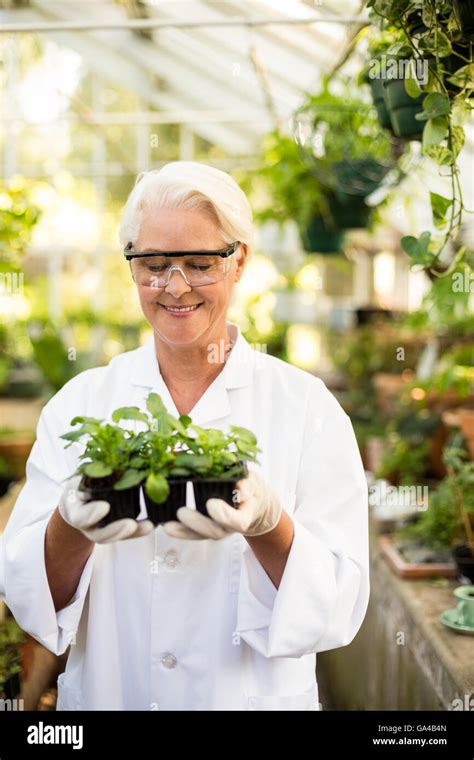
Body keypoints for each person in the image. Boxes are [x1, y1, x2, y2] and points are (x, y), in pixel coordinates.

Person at [2, 161, 369, 711]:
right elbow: (29, 601)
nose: (174, 286)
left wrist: (270, 525)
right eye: (153, 263)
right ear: (131, 266)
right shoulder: (80, 405)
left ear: (239, 260)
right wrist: (70, 525)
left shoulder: (307, 409)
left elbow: (341, 607)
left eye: (200, 263)